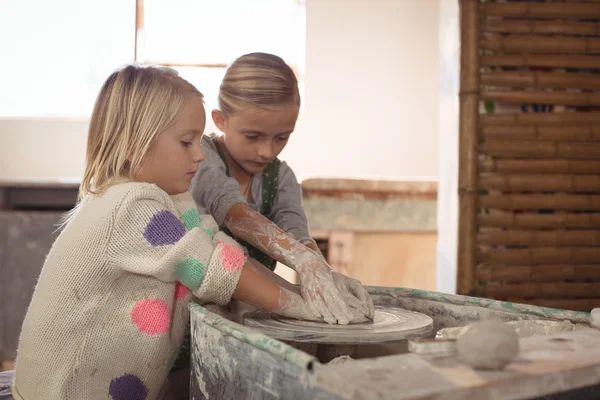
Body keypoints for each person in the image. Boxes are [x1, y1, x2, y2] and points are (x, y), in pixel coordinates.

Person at [12, 65, 317, 400]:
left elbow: (221, 250)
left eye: (199, 141)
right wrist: (306, 310)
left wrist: (307, 289)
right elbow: (210, 267)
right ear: (133, 144)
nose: (200, 155)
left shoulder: (172, 199)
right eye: (186, 142)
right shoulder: (127, 205)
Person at [192, 52, 375, 325]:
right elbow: (234, 213)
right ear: (220, 120)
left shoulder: (281, 176)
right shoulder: (200, 157)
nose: (266, 151)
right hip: (194, 308)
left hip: (251, 312)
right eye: (253, 136)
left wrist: (322, 270)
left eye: (281, 137)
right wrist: (301, 259)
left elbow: (295, 230)